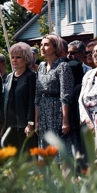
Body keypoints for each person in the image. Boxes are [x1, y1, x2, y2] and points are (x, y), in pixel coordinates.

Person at [35, 34, 78, 163]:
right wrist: (36, 121)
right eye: (41, 45)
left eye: (46, 44)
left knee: (61, 151)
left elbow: (65, 95)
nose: (42, 48)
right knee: (46, 151)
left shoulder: (62, 66)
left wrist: (65, 121)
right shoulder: (41, 67)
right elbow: (37, 95)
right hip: (43, 112)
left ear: (55, 47)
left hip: (57, 112)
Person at [2, 43, 37, 151]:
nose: (14, 60)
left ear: (26, 58)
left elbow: (33, 101)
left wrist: (30, 123)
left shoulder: (31, 76)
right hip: (9, 124)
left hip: (24, 125)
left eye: (18, 57)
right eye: (12, 57)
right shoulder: (9, 77)